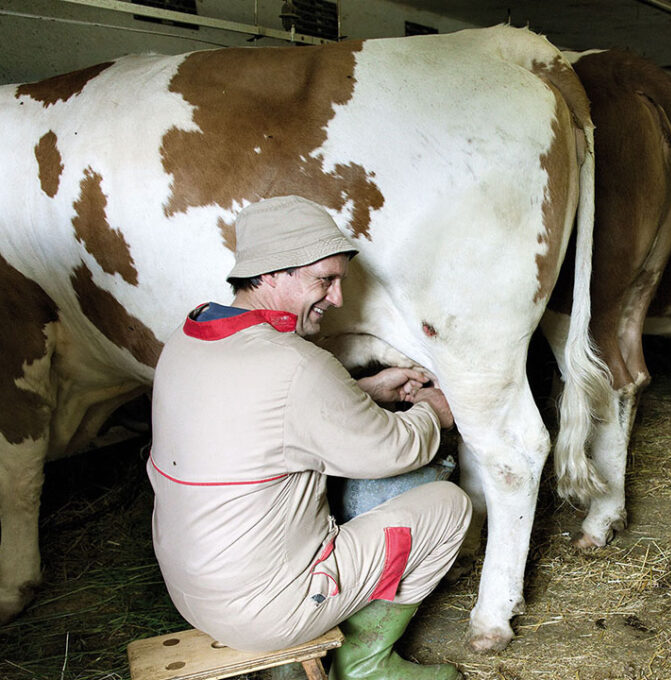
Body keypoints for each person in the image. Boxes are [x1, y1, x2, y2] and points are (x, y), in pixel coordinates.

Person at [148, 195, 470, 680]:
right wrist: (432, 412)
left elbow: (264, 419)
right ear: (273, 274)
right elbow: (390, 451)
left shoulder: (188, 338)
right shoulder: (295, 364)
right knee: (449, 506)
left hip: (190, 594)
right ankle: (366, 662)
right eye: (326, 280)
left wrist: (364, 392)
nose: (337, 299)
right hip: (269, 611)